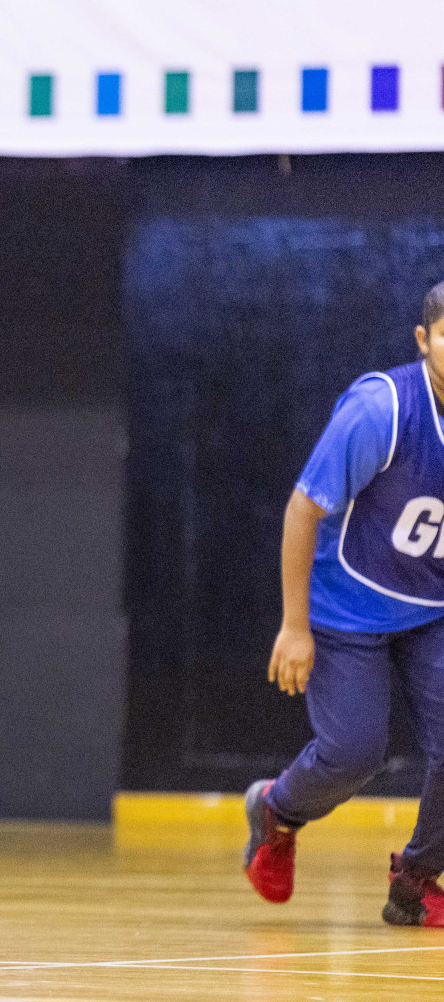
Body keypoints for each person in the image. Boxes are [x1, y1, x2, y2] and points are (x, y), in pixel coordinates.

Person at [246, 281, 444, 928]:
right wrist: (294, 626)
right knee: (355, 752)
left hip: (431, 605)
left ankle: (415, 879)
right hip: (348, 607)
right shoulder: (380, 409)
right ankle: (277, 811)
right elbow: (304, 508)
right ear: (423, 340)